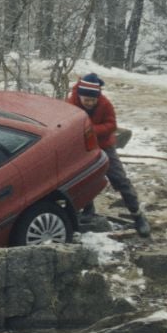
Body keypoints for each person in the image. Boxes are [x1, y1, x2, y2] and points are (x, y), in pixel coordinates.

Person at [68, 73, 151, 237]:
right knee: (83, 178)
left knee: (120, 179)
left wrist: (91, 130)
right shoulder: (71, 103)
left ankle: (137, 215)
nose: (90, 103)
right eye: (87, 100)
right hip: (82, 147)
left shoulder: (105, 104)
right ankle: (87, 208)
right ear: (80, 96)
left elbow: (111, 125)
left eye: (93, 100)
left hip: (104, 145)